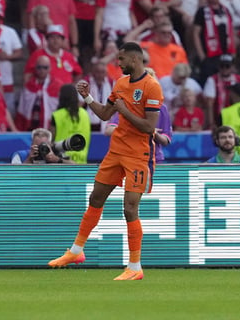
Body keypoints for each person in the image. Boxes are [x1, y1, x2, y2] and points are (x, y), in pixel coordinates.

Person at [48, 42, 164, 280]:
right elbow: (104, 114)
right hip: (116, 151)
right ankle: (76, 251)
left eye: (121, 59)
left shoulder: (152, 87)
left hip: (137, 155)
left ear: (134, 59)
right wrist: (87, 97)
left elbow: (149, 127)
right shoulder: (120, 83)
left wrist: (124, 110)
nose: (117, 63)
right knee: (96, 197)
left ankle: (135, 267)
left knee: (130, 208)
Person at [105, 66, 172, 163]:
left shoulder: (162, 108)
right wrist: (137, 128)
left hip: (153, 158)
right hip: (129, 157)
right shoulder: (127, 105)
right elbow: (109, 130)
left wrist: (154, 133)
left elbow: (166, 140)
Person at [15, 55, 63, 131]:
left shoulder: (57, 85)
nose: (42, 70)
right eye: (39, 67)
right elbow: (22, 108)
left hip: (50, 127)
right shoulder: (29, 85)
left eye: (45, 67)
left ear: (50, 68)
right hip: (31, 126)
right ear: (35, 68)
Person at [50, 84, 91, 164]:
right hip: (82, 162)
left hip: (62, 162)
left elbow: (51, 138)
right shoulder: (85, 114)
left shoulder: (57, 115)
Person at [10, 127, 74, 164]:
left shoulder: (56, 155)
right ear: (31, 144)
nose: (40, 149)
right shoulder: (20, 155)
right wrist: (29, 159)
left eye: (43, 146)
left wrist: (57, 160)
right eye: (37, 146)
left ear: (50, 145)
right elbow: (13, 175)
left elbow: (76, 167)